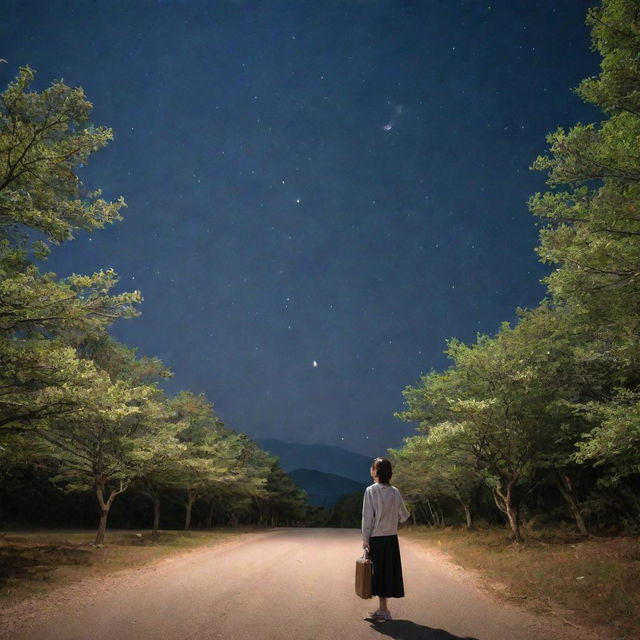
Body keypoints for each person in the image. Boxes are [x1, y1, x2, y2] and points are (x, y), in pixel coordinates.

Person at [361, 457, 410, 622]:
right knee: (388, 573)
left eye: (372, 467)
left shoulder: (371, 491)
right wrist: (392, 521)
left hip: (377, 538)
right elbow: (404, 515)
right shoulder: (395, 491)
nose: (371, 470)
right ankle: (384, 609)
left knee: (378, 574)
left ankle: (384, 611)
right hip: (391, 539)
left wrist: (365, 539)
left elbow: (367, 518)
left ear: (376, 472)